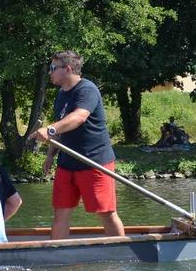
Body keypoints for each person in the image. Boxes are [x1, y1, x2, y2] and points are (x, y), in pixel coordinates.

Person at [27, 50, 125, 239]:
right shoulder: (61, 94)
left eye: (53, 68)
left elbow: (79, 117)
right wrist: (50, 155)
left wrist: (50, 130)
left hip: (94, 161)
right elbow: (61, 127)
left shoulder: (87, 89)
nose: (50, 72)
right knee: (60, 213)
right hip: (67, 163)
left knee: (105, 212)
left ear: (68, 69)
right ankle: (57, 254)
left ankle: (121, 250)